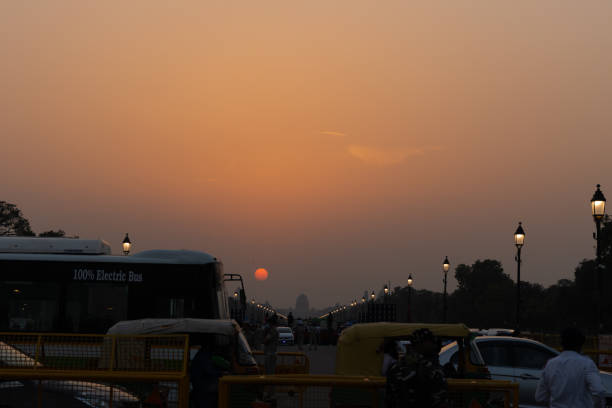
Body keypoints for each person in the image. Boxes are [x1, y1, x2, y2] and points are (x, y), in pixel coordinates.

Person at [535, 327, 606, 408]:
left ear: (562, 343)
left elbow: (539, 397)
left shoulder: (550, 364)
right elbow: (599, 391)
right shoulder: (587, 364)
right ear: (581, 344)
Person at [385, 328, 448, 408]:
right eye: (431, 342)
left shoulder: (395, 367)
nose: (434, 346)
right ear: (423, 343)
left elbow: (389, 399)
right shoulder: (430, 368)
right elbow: (440, 400)